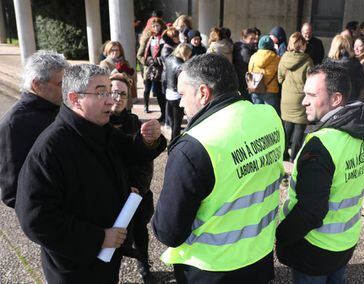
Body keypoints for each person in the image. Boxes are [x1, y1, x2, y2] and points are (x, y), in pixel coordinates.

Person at [15, 64, 166, 283]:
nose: (110, 100)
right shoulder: (51, 149)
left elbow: (131, 151)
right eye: (101, 92)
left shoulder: (98, 128)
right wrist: (99, 238)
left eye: (110, 92)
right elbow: (35, 218)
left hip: (105, 256)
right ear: (75, 99)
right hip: (74, 267)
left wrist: (148, 141)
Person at [152, 53, 285, 283]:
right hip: (259, 258)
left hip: (211, 269)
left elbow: (168, 232)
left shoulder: (194, 146)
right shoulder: (269, 116)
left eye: (182, 94)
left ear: (203, 93)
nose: (180, 103)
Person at [276, 62, 364, 284]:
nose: (303, 101)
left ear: (336, 99)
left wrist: (281, 235)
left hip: (314, 247)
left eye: (311, 95)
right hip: (346, 240)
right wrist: (350, 183)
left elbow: (311, 212)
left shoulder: (321, 145)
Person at [109, 71, 165, 282]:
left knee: (140, 231)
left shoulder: (134, 122)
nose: (118, 98)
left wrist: (137, 187)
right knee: (113, 238)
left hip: (135, 194)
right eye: (113, 93)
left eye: (123, 94)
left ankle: (144, 264)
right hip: (109, 194)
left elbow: (146, 162)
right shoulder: (98, 123)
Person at [0, 50, 69, 208]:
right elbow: (12, 193)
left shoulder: (62, 109)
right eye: (60, 84)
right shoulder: (12, 125)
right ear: (37, 85)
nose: (66, 89)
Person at [278, 32, 313, 162]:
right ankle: (294, 157)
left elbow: (280, 78)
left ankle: (282, 154)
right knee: (299, 127)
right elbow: (310, 81)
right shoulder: (308, 60)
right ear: (302, 45)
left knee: (287, 126)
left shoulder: (283, 58)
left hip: (286, 97)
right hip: (301, 97)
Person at [137, 17, 167, 117]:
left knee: (163, 93)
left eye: (157, 25)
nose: (156, 28)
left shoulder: (165, 37)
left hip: (163, 69)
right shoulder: (148, 38)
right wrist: (147, 61)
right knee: (149, 90)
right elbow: (140, 55)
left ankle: (166, 115)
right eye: (153, 26)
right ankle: (150, 107)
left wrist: (159, 61)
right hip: (151, 70)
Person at [164, 43, 192, 140]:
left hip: (169, 93)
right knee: (177, 123)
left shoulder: (169, 59)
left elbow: (165, 76)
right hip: (177, 96)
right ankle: (174, 142)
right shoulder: (181, 66)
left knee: (173, 122)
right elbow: (182, 84)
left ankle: (172, 139)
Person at [325, 34, 364, 101]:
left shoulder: (327, 63)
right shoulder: (354, 63)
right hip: (349, 98)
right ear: (349, 46)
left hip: (331, 98)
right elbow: (362, 82)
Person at [248, 35, 280, 113]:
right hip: (271, 90)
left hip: (255, 88)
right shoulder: (277, 58)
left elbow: (249, 71)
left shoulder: (253, 57)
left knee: (258, 114)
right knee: (271, 115)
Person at [99, 41, 136, 108]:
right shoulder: (104, 63)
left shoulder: (125, 62)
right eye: (112, 50)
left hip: (125, 92)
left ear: (120, 51)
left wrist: (130, 73)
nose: (115, 52)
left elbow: (132, 77)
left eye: (117, 50)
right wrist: (117, 71)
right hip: (113, 93)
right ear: (107, 50)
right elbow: (104, 79)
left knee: (127, 113)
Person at [233, 27, 258, 101]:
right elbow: (250, 64)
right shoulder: (244, 50)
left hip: (241, 78)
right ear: (245, 38)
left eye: (254, 38)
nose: (254, 41)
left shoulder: (242, 47)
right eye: (251, 39)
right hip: (244, 80)